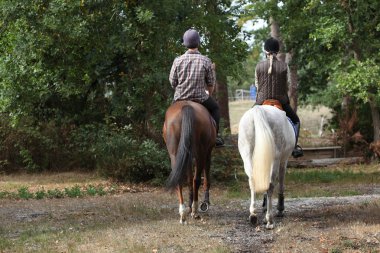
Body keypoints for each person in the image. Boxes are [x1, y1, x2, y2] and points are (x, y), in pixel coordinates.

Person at [169, 28, 224, 147]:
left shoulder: (177, 61)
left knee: (170, 114)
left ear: (185, 44)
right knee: (215, 109)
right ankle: (216, 137)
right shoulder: (206, 60)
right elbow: (210, 83)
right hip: (201, 98)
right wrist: (208, 93)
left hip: (180, 98)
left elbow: (172, 82)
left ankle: (168, 134)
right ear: (198, 43)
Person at [254, 37, 303, 158]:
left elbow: (257, 84)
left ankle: (248, 145)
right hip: (280, 101)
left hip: (261, 102)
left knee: (248, 119)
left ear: (265, 50)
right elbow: (287, 84)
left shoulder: (259, 66)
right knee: (296, 121)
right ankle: (294, 147)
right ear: (277, 51)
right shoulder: (284, 66)